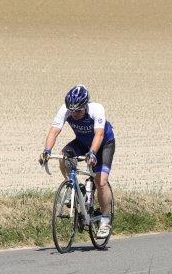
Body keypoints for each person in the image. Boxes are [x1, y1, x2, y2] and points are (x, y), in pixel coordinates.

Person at [40, 85, 115, 238]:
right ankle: (72, 185)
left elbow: (99, 134)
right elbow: (54, 130)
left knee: (101, 182)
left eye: (79, 110)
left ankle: (105, 220)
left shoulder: (96, 109)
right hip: (82, 142)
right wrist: (47, 150)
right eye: (72, 110)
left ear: (85, 106)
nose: (74, 114)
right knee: (64, 155)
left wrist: (92, 153)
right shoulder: (65, 109)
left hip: (104, 144)